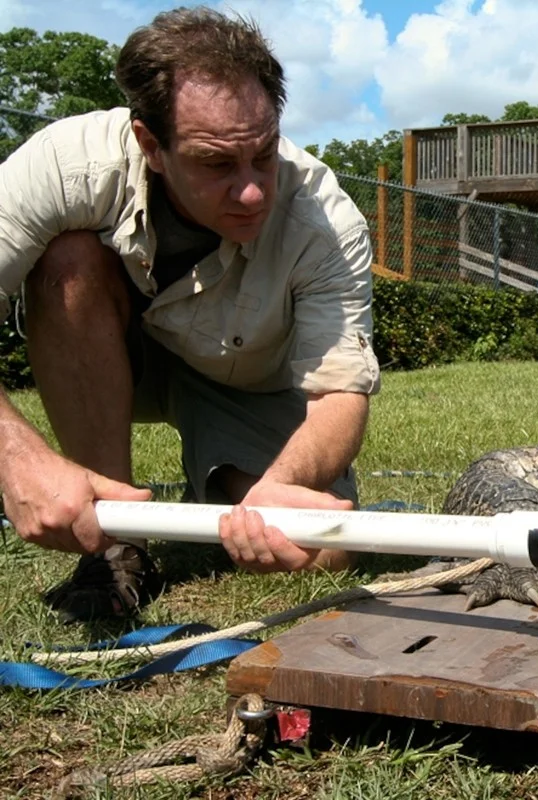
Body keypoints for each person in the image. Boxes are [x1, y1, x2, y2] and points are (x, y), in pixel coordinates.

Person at [0, 6, 381, 622]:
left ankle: (239, 477)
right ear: (150, 144)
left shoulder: (325, 223)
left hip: (249, 382)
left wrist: (281, 484)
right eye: (216, 164)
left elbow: (341, 391)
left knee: (312, 551)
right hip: (112, 348)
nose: (254, 189)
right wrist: (17, 457)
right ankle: (118, 546)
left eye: (264, 153)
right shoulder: (67, 167)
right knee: (69, 258)